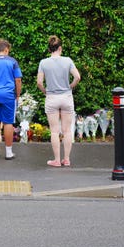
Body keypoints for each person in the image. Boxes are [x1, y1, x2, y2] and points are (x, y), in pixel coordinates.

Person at [36, 35, 81, 167]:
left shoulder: (43, 63)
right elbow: (77, 77)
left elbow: (39, 82)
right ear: (60, 48)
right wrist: (70, 86)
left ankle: (56, 160)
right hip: (66, 97)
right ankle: (66, 159)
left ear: (49, 49)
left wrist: (45, 91)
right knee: (67, 131)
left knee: (54, 131)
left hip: (52, 98)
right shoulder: (67, 61)